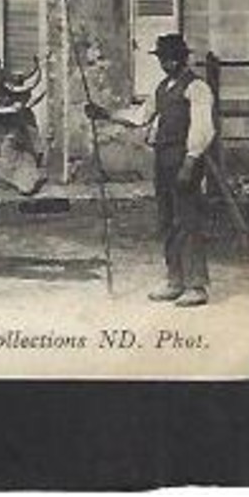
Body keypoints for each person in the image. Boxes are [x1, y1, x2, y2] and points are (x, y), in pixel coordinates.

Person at [85, 33, 216, 308]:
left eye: (170, 58)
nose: (165, 63)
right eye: (162, 58)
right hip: (163, 158)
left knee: (188, 218)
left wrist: (190, 162)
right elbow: (140, 117)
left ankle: (197, 285)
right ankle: (174, 279)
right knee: (167, 220)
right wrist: (105, 114)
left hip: (185, 158)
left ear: (181, 58)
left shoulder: (197, 88)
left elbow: (203, 128)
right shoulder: (161, 88)